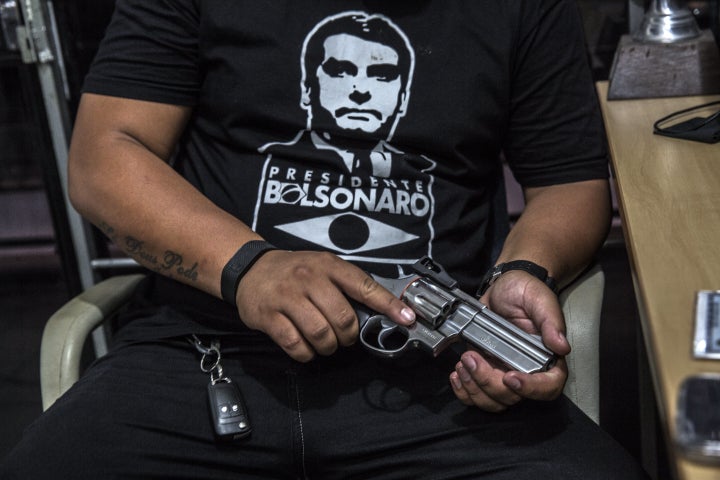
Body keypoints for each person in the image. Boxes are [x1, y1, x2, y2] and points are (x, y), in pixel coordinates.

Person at [1, 1, 649, 479]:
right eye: (340, 72)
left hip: (441, 373)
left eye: (380, 78)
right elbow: (101, 158)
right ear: (313, 85)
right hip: (206, 355)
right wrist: (249, 266)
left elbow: (571, 184)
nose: (362, 88)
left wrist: (525, 270)